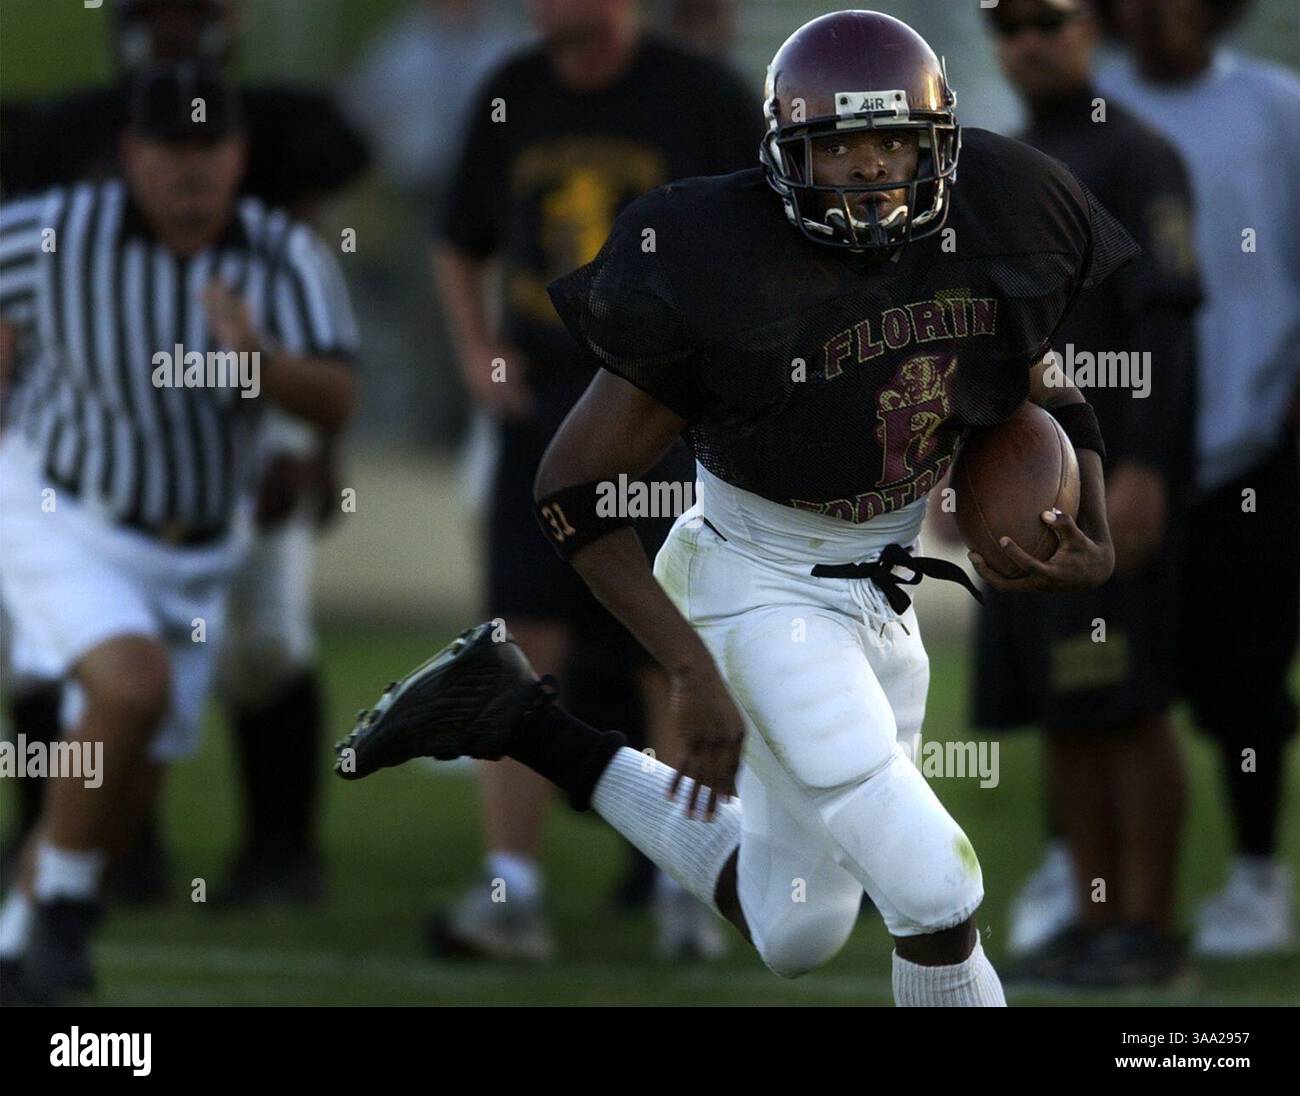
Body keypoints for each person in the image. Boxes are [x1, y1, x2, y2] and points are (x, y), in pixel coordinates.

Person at [342, 10, 1137, 1007]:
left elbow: (1043, 384)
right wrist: (689, 663)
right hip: (753, 580)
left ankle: (513, 715)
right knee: (935, 886)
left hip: (877, 590)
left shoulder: (1009, 208)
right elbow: (567, 484)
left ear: (941, 145)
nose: (870, 172)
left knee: (797, 923)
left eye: (892, 143)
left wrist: (1092, 519)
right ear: (782, 158)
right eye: (839, 149)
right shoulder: (712, 258)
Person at [0, 0, 371, 909]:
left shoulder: (282, 189)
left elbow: (328, 359)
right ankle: (64, 863)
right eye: (166, 150)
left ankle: (270, 850)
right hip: (79, 458)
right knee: (56, 660)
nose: (189, 168)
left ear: (241, 156)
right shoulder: (62, 181)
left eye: (208, 150)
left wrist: (309, 439)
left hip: (235, 450)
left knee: (263, 646)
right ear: (127, 154)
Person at [431, 0, 757, 959]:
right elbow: (459, 237)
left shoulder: (699, 93)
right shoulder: (511, 90)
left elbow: (764, 237)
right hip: (542, 398)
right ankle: (511, 888)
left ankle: (689, 884)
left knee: (672, 643)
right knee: (519, 635)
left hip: (657, 398)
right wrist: (477, 352)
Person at [950, 0, 1200, 986]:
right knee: (1066, 710)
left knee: (1128, 706)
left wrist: (1141, 471)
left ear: (1092, 29)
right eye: (1006, 26)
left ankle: (1150, 929)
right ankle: (1096, 921)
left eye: (1047, 20)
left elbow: (1170, 324)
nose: (1026, 42)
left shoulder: (1139, 157)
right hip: (1016, 478)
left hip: (1106, 477)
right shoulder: (1003, 163)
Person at [1097, 0, 1299, 957]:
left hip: (1248, 448)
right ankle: (1092, 881)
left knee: (1246, 685)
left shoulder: (1278, 107)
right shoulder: (1090, 108)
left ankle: (1258, 878)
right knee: (1104, 678)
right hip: (1118, 448)